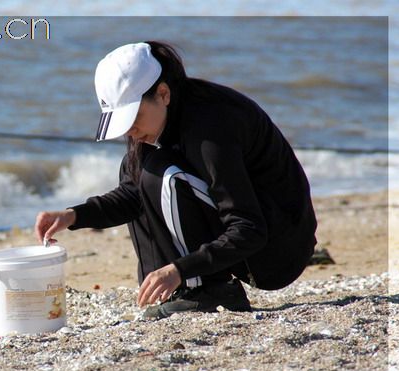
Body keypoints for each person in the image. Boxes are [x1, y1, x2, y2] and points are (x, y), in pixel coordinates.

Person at [34, 41, 317, 319]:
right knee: (138, 169)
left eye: (133, 117)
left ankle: (208, 291)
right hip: (250, 240)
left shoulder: (211, 130)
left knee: (164, 173)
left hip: (278, 248)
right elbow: (134, 195)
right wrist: (74, 216)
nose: (130, 131)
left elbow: (249, 228)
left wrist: (180, 270)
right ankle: (174, 293)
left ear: (163, 93)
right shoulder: (162, 119)